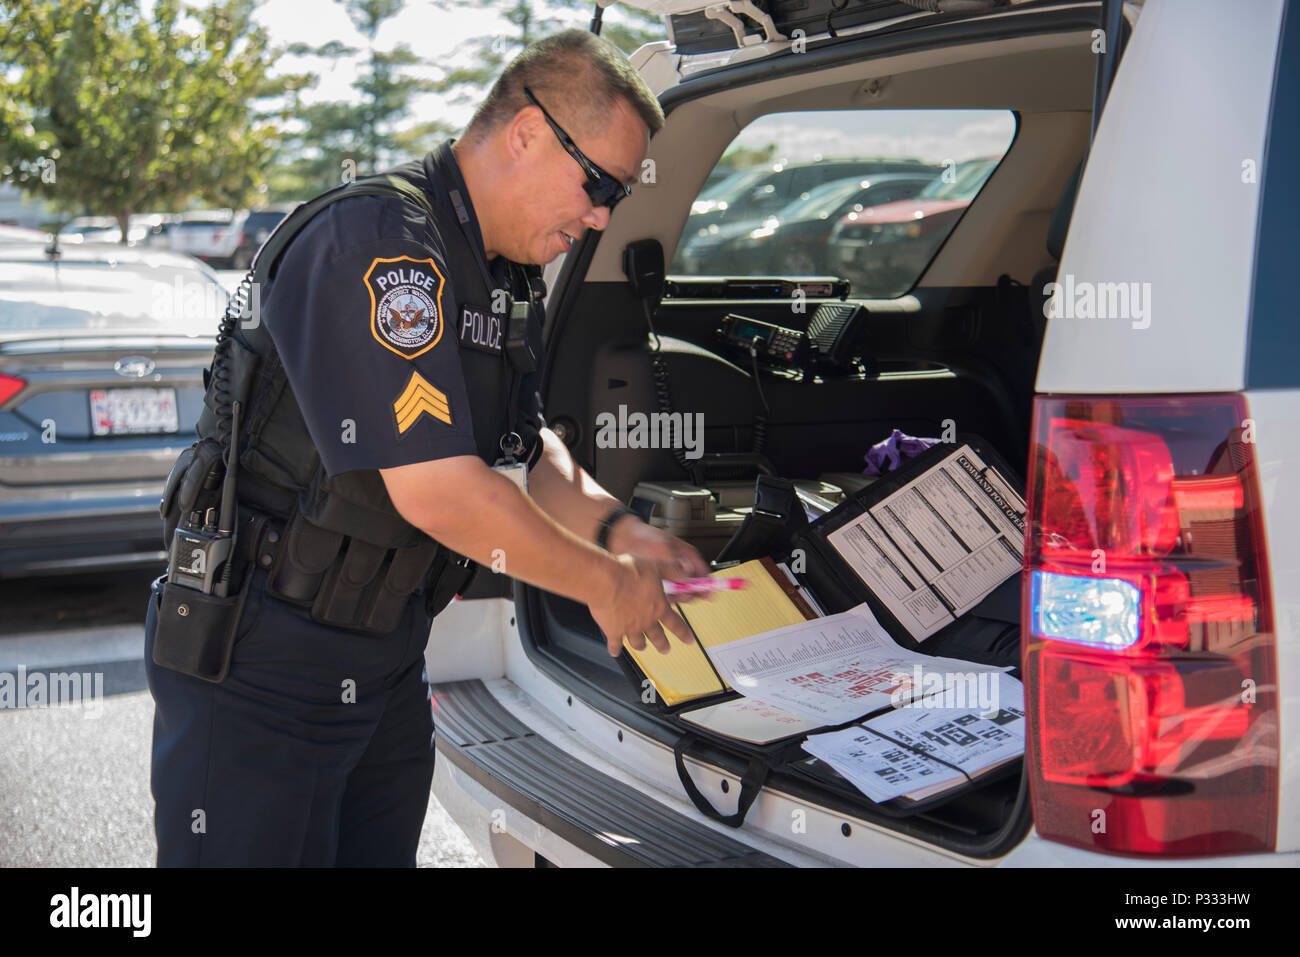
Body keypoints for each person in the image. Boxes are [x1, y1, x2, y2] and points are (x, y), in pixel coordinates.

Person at [145, 28, 710, 867]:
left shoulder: (495, 274)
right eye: (597, 184)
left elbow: (527, 448)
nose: (599, 215)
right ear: (526, 132)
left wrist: (616, 529)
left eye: (617, 198)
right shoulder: (379, 240)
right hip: (263, 666)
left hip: (384, 666)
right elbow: (439, 490)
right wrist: (603, 586)